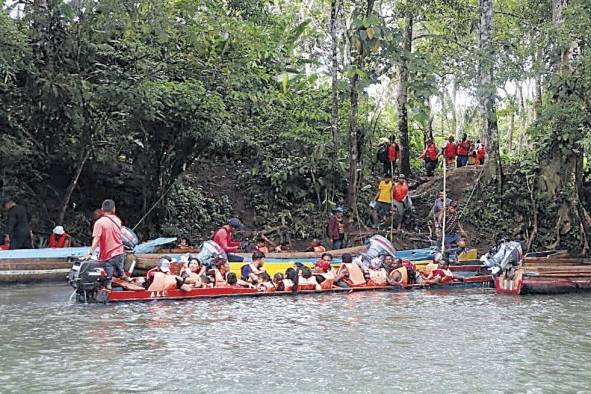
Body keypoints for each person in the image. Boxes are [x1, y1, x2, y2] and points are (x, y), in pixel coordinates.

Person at [85, 199, 129, 289]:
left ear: (102, 209)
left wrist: (90, 253)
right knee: (120, 273)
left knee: (107, 280)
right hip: (120, 253)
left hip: (108, 256)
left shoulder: (99, 223)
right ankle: (124, 278)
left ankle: (108, 289)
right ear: (114, 209)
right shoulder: (117, 220)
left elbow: (96, 239)